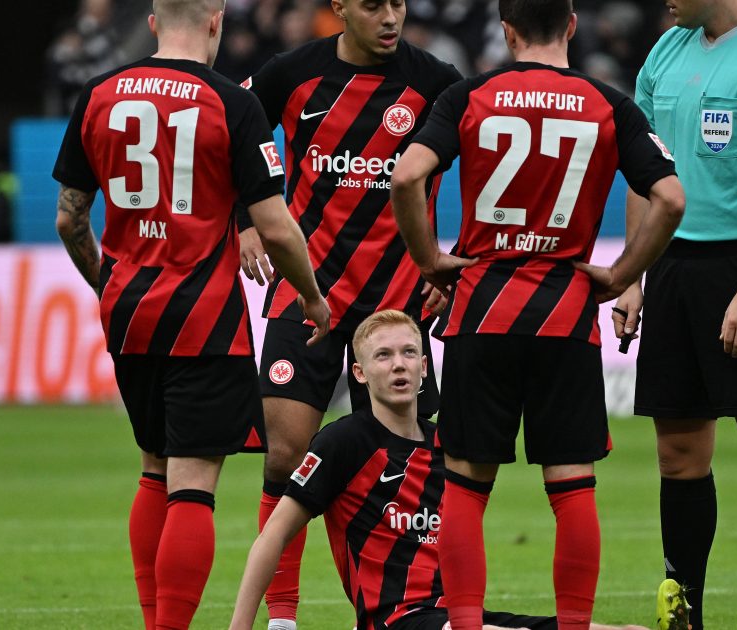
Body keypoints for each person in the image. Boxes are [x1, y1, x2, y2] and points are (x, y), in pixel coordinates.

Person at [391, 1, 686, 627]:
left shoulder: (469, 95)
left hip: (483, 309)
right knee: (572, 487)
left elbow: (406, 177)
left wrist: (429, 261)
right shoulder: (608, 103)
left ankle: (465, 625)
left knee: (467, 488)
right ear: (572, 25)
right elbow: (669, 197)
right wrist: (623, 274)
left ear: (507, 30)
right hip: (565, 313)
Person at [51, 1, 330, 627]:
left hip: (127, 311)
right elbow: (277, 229)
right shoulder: (231, 102)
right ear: (216, 21)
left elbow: (70, 217)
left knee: (153, 466)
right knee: (192, 485)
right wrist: (310, 296)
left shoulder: (99, 94)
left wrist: (107, 282)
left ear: (153, 23)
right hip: (202, 315)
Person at [233, 2, 463, 627]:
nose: (390, 16)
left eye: (398, 3)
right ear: (339, 8)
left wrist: (452, 262)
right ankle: (282, 618)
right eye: (372, 4)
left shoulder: (438, 81)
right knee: (286, 455)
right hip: (308, 291)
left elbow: (493, 164)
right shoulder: (292, 72)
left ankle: (385, 610)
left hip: (397, 307)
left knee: (400, 471)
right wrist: (242, 222)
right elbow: (229, 125)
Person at [230, 310, 650, 630]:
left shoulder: (450, 445)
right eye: (383, 356)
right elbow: (274, 536)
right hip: (398, 621)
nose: (399, 364)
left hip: (458, 614)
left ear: (425, 367)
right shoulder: (343, 442)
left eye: (409, 352)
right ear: (359, 373)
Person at [614, 0, 737, 627]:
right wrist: (632, 277)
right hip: (670, 266)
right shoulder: (666, 49)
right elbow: (643, 177)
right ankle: (687, 614)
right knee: (677, 452)